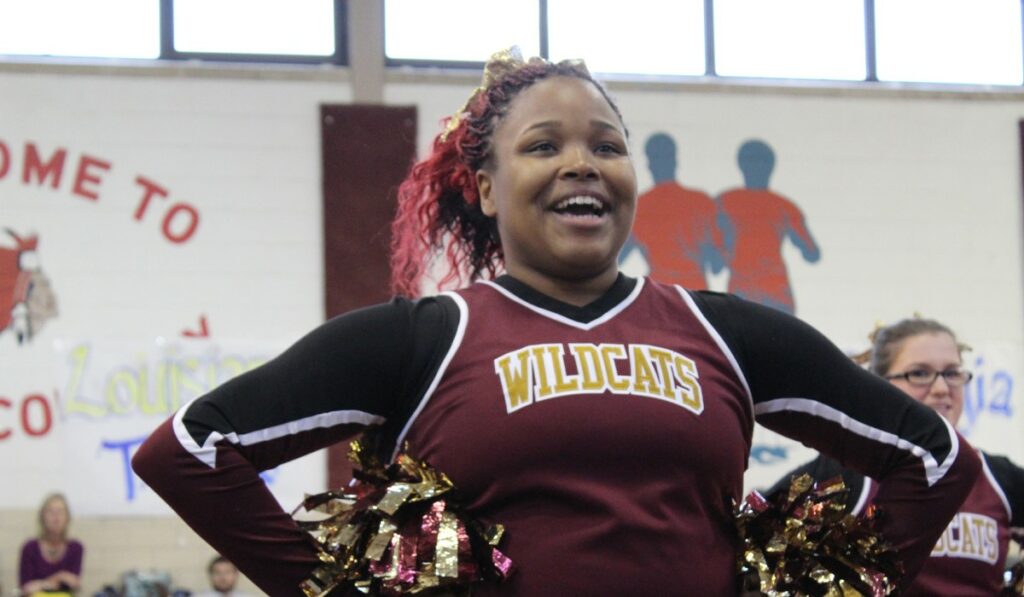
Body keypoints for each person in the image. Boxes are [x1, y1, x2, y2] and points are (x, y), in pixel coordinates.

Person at [131, 48, 981, 595]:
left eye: (608, 146)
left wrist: (840, 590)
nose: (583, 162)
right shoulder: (421, 338)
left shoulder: (726, 331)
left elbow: (935, 459)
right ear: (487, 187)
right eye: (544, 145)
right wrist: (336, 590)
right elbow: (189, 451)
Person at [767, 317, 1024, 595]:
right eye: (919, 374)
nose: (941, 388)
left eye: (951, 373)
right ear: (880, 387)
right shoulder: (840, 476)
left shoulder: (999, 477)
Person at [717, 139, 819, 314]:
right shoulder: (784, 206)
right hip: (753, 291)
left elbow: (812, 253)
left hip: (766, 291)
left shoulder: (725, 201)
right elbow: (810, 253)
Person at [624, 132, 723, 289]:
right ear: (675, 161)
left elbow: (616, 260)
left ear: (649, 164)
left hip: (658, 294)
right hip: (696, 293)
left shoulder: (639, 206)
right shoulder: (701, 202)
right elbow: (717, 266)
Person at [19, 493, 83, 596]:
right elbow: (26, 588)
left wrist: (41, 584)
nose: (56, 516)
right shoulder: (30, 548)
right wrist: (59, 577)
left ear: (67, 517)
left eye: (60, 511)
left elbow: (74, 582)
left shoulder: (76, 548)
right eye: (50, 511)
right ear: (42, 517)